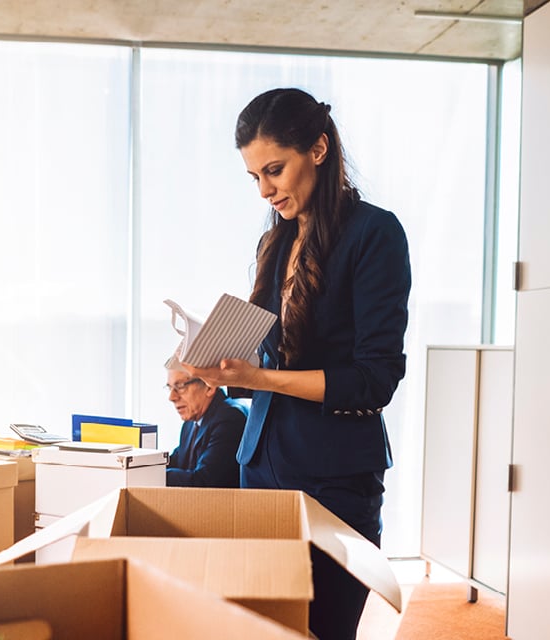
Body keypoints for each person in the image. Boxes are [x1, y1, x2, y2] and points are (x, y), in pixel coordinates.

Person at [182, 88, 410, 640]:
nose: (265, 190)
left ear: (319, 149)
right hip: (259, 467)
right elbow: (269, 362)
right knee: (263, 630)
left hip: (334, 478)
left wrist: (259, 378)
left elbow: (373, 380)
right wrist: (221, 370)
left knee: (325, 631)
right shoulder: (276, 241)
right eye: (254, 176)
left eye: (274, 170)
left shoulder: (374, 235)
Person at [164, 368, 246, 488]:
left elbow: (204, 481)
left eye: (180, 386)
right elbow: (177, 460)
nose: (172, 397)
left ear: (209, 386)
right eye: (170, 388)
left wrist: (153, 476)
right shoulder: (190, 423)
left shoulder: (230, 418)